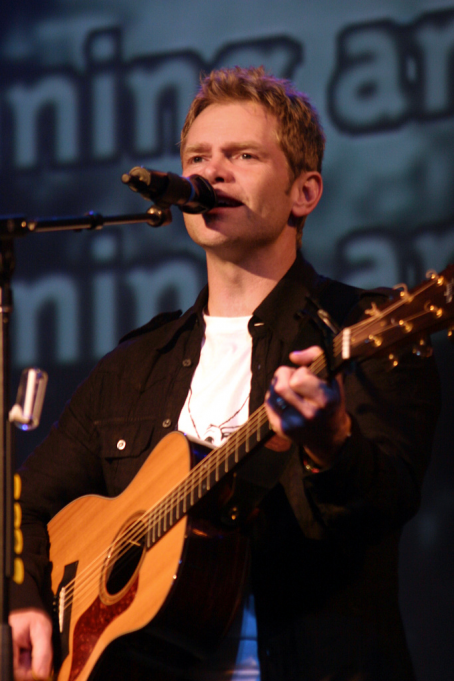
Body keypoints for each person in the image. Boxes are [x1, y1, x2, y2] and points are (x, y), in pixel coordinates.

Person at [9, 66, 440, 681]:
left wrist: (330, 442)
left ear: (304, 193)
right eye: (198, 157)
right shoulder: (135, 365)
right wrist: (24, 602)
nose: (211, 173)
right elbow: (21, 502)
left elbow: (389, 499)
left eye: (242, 155)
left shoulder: (361, 328)